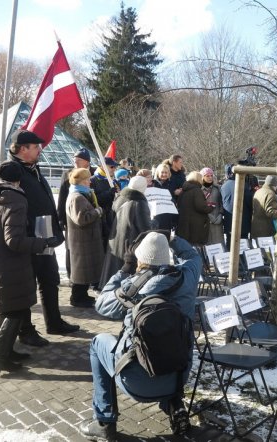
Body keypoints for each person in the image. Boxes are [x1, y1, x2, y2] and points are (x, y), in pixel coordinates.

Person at [79, 233, 201, 440]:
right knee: (171, 343)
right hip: (178, 377)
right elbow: (193, 255)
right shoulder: (187, 276)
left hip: (138, 383)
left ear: (140, 259)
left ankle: (104, 421)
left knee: (98, 342)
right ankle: (174, 404)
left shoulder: (133, 286)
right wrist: (171, 238)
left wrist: (124, 269)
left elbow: (101, 304)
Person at [8, 129, 79, 346]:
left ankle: (54, 322)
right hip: (27, 240)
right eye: (36, 146)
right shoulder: (12, 171)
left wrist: (56, 231)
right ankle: (26, 331)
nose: (40, 149)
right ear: (23, 149)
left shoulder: (33, 169)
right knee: (26, 287)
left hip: (45, 236)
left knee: (50, 280)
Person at [0, 161, 52, 372]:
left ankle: (4, 352)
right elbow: (14, 240)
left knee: (5, 311)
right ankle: (0, 357)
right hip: (11, 267)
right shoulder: (16, 200)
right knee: (15, 311)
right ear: (17, 180)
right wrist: (42, 242)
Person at [99, 176, 152, 289]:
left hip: (115, 240)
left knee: (114, 272)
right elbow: (145, 228)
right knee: (126, 274)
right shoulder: (140, 202)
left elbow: (111, 217)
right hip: (130, 243)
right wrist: (155, 223)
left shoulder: (120, 197)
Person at [65, 168, 105, 308]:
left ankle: (82, 296)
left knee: (83, 270)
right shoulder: (77, 197)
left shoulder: (81, 194)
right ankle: (77, 298)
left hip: (84, 238)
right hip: (81, 240)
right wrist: (97, 211)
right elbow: (81, 219)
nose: (89, 182)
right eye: (87, 179)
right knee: (80, 270)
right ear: (81, 181)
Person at [57, 147, 94, 278]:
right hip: (72, 217)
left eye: (79, 160)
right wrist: (60, 218)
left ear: (87, 162)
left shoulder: (94, 174)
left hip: (91, 217)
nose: (75, 162)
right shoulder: (67, 174)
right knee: (71, 248)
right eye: (75, 159)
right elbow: (62, 197)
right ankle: (71, 274)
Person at [176, 172, 214, 246]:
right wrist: (211, 208)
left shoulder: (183, 191)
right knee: (196, 246)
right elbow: (200, 206)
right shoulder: (197, 190)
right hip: (195, 225)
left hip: (184, 223)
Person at [91, 157, 120, 252]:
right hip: (100, 219)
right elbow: (94, 201)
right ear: (102, 166)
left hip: (113, 218)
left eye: (115, 167)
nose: (114, 169)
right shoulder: (93, 180)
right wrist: (109, 193)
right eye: (111, 167)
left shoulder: (114, 181)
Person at [200, 167, 223, 245]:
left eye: (211, 175)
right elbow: (199, 205)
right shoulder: (199, 190)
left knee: (218, 244)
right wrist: (208, 215)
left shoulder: (217, 189)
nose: (210, 178)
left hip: (217, 220)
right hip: (204, 221)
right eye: (207, 176)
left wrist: (220, 214)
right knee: (207, 244)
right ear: (202, 177)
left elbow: (221, 202)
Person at [152, 163, 177, 232]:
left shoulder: (171, 184)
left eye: (166, 172)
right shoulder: (153, 184)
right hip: (156, 214)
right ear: (158, 173)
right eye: (162, 172)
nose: (164, 174)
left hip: (167, 215)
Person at [221, 164, 235, 248]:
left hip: (228, 219)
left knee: (229, 242)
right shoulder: (243, 185)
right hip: (240, 221)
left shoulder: (223, 186)